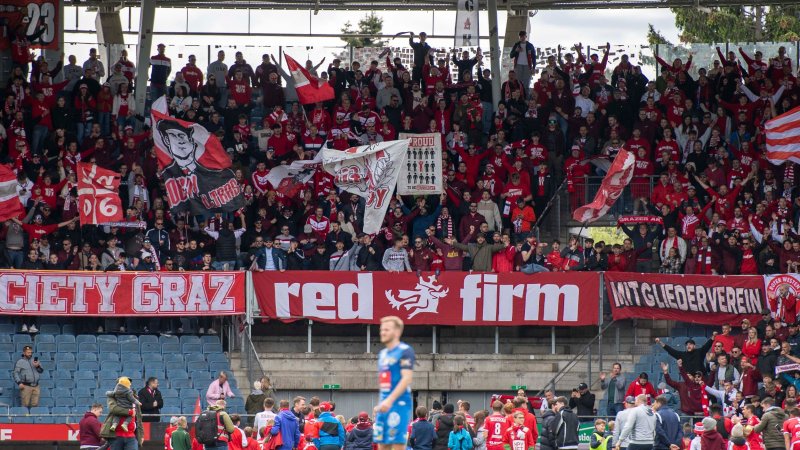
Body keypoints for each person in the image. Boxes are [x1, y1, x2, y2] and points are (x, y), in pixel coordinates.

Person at [374, 316, 415, 450]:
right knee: (382, 442)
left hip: (399, 403)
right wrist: (382, 401)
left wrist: (389, 400)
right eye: (381, 329)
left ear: (397, 332)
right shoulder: (382, 354)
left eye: (386, 329)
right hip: (384, 402)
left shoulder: (405, 351)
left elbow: (407, 378)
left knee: (397, 443)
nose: (382, 332)